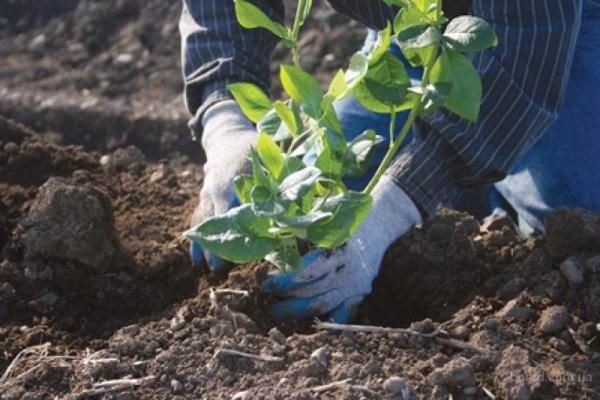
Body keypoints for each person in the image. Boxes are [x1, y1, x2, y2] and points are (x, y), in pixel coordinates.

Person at [179, 0, 600, 322]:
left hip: (556, 29)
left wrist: (395, 206)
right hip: (416, 27)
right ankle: (471, 159)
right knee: (318, 200)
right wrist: (226, 123)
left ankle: (488, 173)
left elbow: (529, 52)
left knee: (571, 217)